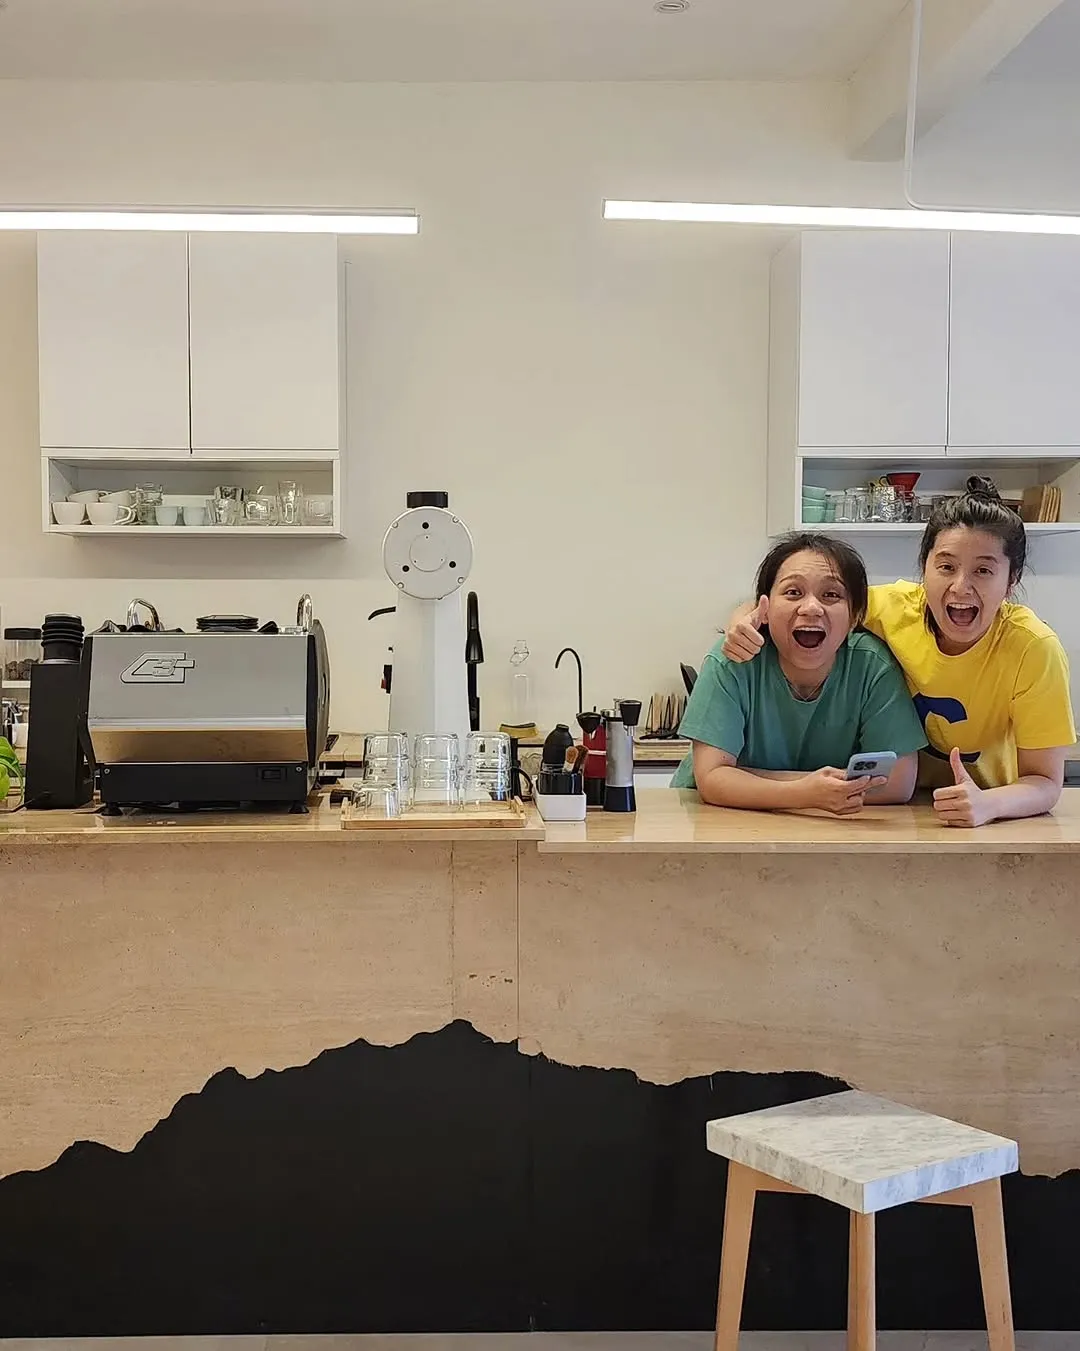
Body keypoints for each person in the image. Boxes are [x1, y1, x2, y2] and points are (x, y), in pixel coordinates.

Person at [722, 478, 1075, 828]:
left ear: (1011, 581)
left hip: (988, 810)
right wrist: (742, 621)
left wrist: (988, 805)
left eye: (983, 570)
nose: (960, 586)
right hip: (897, 808)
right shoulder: (893, 608)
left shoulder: (1033, 648)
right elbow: (803, 602)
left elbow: (1044, 782)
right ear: (924, 569)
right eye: (946, 567)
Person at [672, 532, 926, 815]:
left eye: (831, 595)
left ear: (854, 616)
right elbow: (713, 779)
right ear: (764, 609)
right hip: (719, 820)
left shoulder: (872, 665)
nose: (812, 608)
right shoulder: (734, 657)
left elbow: (898, 783)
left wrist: (753, 780)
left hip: (830, 828)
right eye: (793, 592)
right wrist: (806, 791)